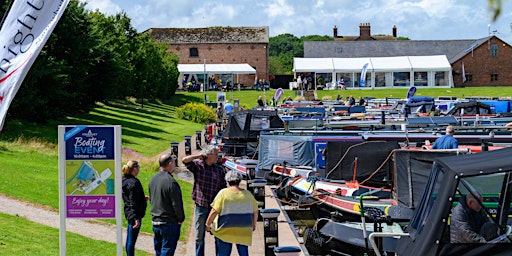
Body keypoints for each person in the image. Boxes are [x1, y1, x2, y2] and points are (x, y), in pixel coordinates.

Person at [182, 145, 227, 256]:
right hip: (201, 206)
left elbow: (223, 189)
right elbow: (184, 160)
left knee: (218, 236)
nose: (218, 156)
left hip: (215, 209)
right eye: (216, 154)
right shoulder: (198, 166)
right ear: (209, 155)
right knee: (199, 237)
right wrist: (199, 155)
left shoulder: (219, 170)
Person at [206, 171, 259, 256]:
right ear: (240, 180)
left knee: (223, 253)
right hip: (244, 230)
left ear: (227, 180)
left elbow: (214, 211)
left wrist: (208, 225)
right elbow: (255, 211)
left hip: (225, 230)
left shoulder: (223, 193)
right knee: (243, 253)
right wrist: (254, 225)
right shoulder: (248, 194)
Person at [148, 154, 185, 256]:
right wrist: (181, 218)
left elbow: (152, 199)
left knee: (159, 251)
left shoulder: (153, 179)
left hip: (156, 221)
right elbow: (177, 204)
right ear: (170, 164)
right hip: (169, 222)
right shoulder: (171, 182)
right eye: (173, 163)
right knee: (167, 250)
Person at [122, 160, 147, 256]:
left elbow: (130, 197)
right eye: (139, 168)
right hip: (134, 214)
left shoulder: (124, 180)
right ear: (135, 169)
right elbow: (133, 201)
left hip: (128, 212)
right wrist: (136, 218)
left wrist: (142, 198)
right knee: (131, 241)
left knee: (129, 239)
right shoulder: (133, 183)